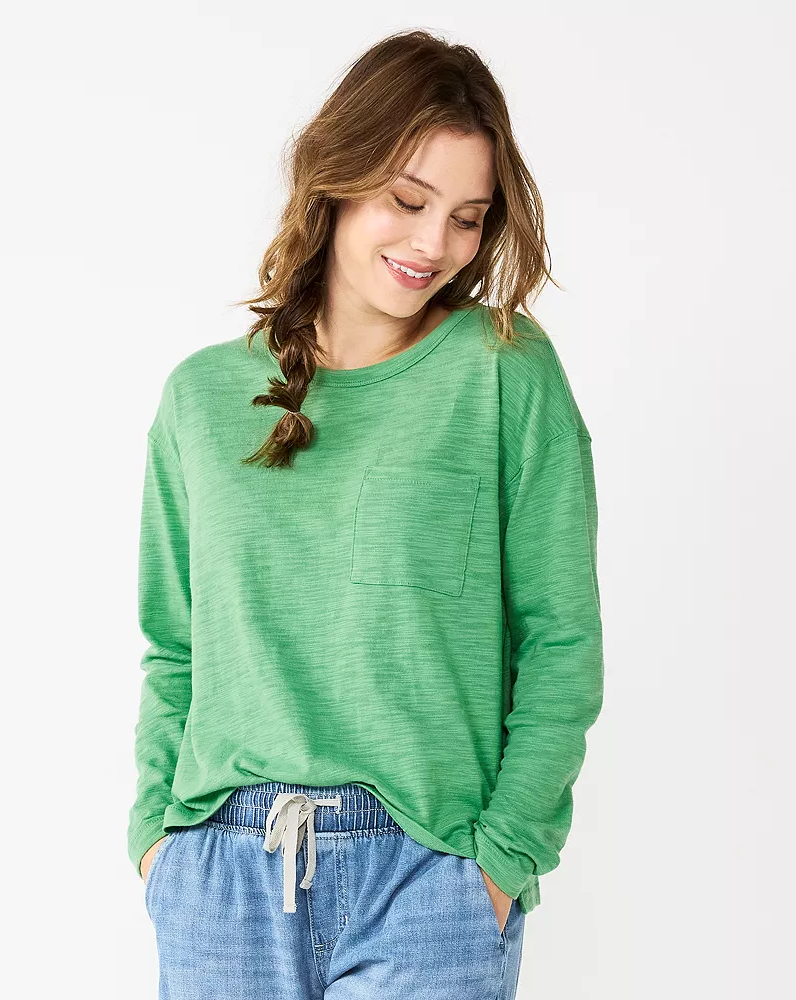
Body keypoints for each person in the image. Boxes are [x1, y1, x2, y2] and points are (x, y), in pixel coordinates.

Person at [127, 27, 604, 1000]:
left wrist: (499, 863)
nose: (434, 245)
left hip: (427, 879)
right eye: (408, 201)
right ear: (334, 178)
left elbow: (560, 641)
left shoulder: (502, 370)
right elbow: (175, 646)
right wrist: (155, 841)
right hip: (219, 871)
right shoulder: (199, 399)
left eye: (467, 218)